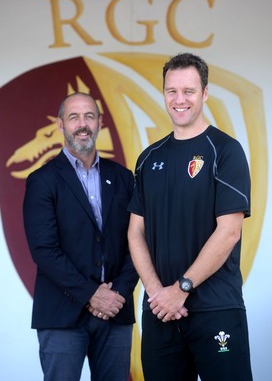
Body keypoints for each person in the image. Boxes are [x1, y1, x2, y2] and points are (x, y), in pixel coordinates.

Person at [127, 53, 253, 381]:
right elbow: (135, 232)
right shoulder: (148, 158)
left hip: (215, 309)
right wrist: (158, 293)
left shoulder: (225, 151)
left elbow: (228, 232)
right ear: (164, 93)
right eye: (172, 91)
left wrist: (180, 289)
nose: (179, 100)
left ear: (205, 93)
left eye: (188, 91)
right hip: (161, 314)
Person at [23, 92, 138, 381]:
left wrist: (117, 295)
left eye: (89, 116)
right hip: (62, 315)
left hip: (115, 311)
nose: (82, 124)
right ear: (61, 124)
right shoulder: (42, 180)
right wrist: (91, 295)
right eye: (74, 117)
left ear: (100, 122)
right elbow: (44, 250)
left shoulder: (124, 178)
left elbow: (138, 243)